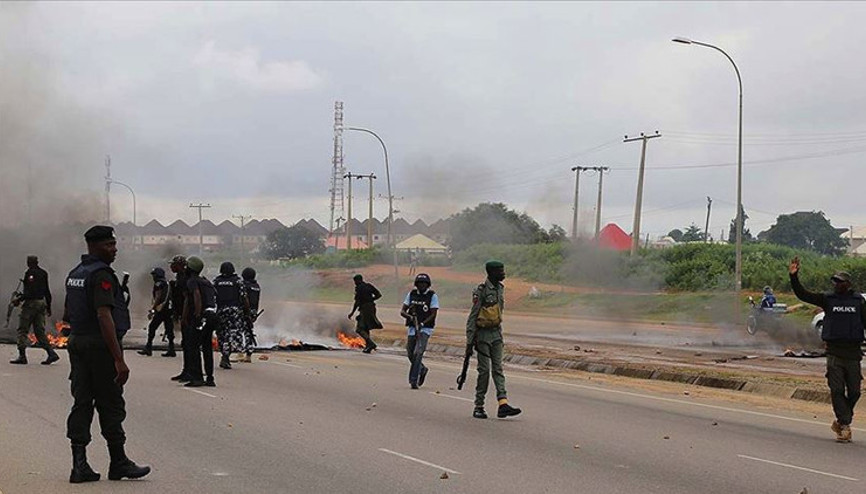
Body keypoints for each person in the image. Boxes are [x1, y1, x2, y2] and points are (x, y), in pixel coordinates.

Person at [64, 225, 150, 483]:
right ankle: (119, 462)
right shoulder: (101, 274)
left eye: (114, 244)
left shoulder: (75, 273)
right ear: (94, 246)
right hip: (99, 347)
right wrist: (118, 358)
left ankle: (79, 466)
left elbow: (68, 313)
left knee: (81, 402)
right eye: (109, 245)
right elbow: (104, 316)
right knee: (110, 403)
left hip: (77, 342)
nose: (114, 249)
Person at [789, 256, 865, 442]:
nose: (836, 284)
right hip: (834, 353)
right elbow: (803, 294)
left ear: (847, 284)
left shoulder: (859, 303)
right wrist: (794, 276)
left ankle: (841, 420)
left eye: (839, 281)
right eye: (834, 281)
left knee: (854, 392)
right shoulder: (828, 299)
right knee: (837, 389)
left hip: (853, 353)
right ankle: (845, 425)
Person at [466, 260, 521, 419]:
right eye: (500, 271)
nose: (503, 274)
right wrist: (470, 341)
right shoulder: (481, 291)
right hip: (482, 336)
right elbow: (473, 316)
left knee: (498, 369)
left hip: (496, 334)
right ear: (491, 273)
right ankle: (479, 406)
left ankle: (503, 403)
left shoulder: (500, 289)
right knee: (484, 371)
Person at [10, 255, 60, 365]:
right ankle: (51, 353)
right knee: (39, 331)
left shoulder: (30, 273)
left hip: (31, 304)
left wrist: (19, 299)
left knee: (22, 330)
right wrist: (49, 306)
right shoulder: (43, 273)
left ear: (29, 262)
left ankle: (22, 356)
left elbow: (31, 292)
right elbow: (47, 291)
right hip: (41, 303)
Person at [183, 256, 218, 387]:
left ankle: (197, 377)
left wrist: (197, 316)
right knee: (207, 347)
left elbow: (196, 296)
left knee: (193, 347)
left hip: (202, 317)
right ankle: (210, 378)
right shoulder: (206, 282)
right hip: (212, 316)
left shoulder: (192, 281)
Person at [400, 273, 438, 389]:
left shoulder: (432, 296)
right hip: (412, 328)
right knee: (410, 353)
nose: (422, 286)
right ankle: (422, 369)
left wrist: (422, 324)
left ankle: (413, 380)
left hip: (425, 329)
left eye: (424, 284)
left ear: (428, 285)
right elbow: (402, 311)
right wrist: (410, 317)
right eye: (420, 283)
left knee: (418, 353)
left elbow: (433, 314)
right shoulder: (412, 294)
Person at [213, 261, 247, 370]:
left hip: (221, 310)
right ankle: (226, 355)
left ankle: (225, 355)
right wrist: (247, 313)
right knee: (232, 334)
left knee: (222, 334)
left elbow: (212, 298)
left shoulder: (216, 281)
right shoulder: (238, 281)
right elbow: (244, 297)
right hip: (234, 311)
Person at [138, 267, 175, 357]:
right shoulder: (166, 283)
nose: (153, 277)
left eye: (154, 275)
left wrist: (153, 308)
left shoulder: (159, 283)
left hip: (162, 309)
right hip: (169, 309)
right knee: (169, 329)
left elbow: (158, 296)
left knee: (152, 327)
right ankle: (171, 349)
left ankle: (148, 347)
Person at [169, 255, 193, 382]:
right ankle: (186, 370)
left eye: (173, 264)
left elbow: (187, 300)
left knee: (189, 344)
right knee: (186, 344)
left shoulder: (185, 279)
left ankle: (191, 372)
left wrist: (183, 316)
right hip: (182, 314)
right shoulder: (179, 278)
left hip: (188, 316)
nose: (171, 266)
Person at [348, 274, 383, 353]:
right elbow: (379, 295)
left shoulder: (359, 288)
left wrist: (352, 312)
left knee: (359, 329)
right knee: (366, 327)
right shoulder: (368, 286)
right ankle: (368, 346)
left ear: (357, 280)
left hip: (365, 309)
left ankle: (371, 344)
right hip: (372, 307)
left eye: (355, 281)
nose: (355, 283)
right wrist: (371, 300)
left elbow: (357, 302)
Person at [240, 267, 261, 363]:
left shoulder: (244, 285)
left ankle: (240, 352)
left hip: (244, 310)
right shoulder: (256, 286)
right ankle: (248, 354)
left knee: (239, 331)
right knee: (249, 332)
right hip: (253, 311)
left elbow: (243, 298)